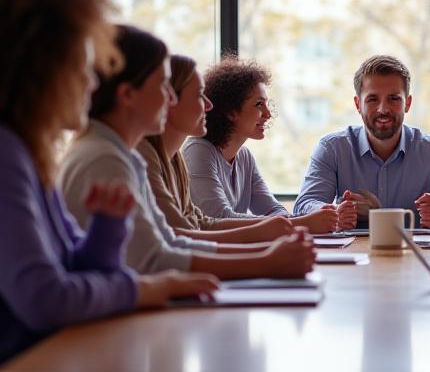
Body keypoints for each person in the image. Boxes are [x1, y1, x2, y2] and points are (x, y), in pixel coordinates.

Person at [0, 0, 217, 363]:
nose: (93, 82)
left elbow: (75, 272)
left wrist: (107, 229)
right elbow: (44, 299)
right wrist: (145, 289)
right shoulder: (6, 151)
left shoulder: (29, 151)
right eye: (83, 67)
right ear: (42, 71)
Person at [59, 24, 315, 279]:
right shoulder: (110, 158)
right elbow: (157, 257)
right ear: (127, 94)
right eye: (163, 87)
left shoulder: (130, 156)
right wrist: (264, 261)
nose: (169, 100)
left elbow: (174, 238)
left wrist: (266, 248)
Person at [293, 55, 430, 235]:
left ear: (407, 104)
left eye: (393, 99)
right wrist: (332, 213)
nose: (383, 109)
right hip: (353, 258)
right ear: (358, 104)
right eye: (372, 99)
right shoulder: (332, 149)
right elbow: (305, 204)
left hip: (415, 258)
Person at [138, 54, 295, 244]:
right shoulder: (190, 151)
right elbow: (181, 235)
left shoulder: (175, 159)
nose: (209, 105)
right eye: (198, 95)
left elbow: (199, 225)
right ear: (169, 100)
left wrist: (282, 227)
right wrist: (281, 235)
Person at [182, 56, 339, 233]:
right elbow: (219, 218)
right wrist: (302, 223)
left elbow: (273, 210)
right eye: (259, 104)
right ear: (231, 111)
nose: (268, 114)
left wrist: (318, 217)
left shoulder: (244, 156)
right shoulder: (198, 150)